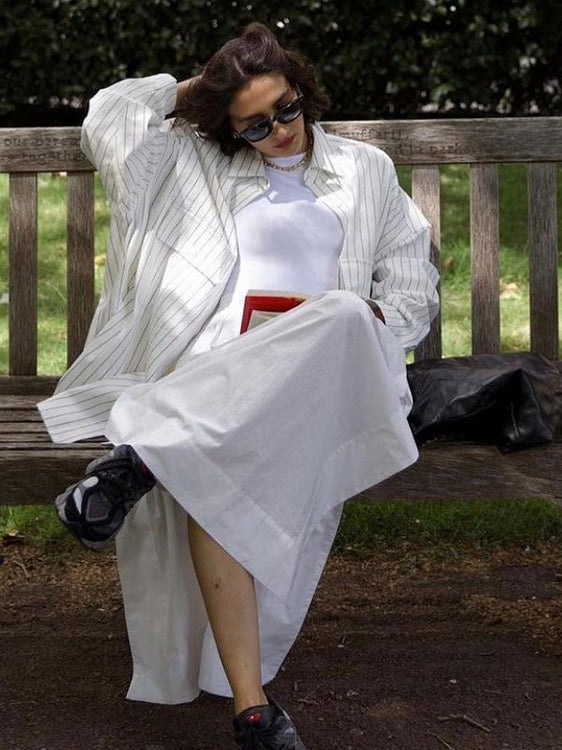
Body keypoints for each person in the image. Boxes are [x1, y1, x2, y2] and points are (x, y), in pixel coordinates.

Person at [38, 21, 439, 750]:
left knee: (340, 314)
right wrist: (205, 88)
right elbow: (111, 115)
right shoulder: (195, 162)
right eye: (254, 125)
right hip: (220, 372)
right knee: (215, 459)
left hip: (327, 377)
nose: (279, 131)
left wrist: (349, 326)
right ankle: (253, 713)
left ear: (302, 90)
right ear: (228, 128)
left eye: (286, 108)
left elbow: (413, 296)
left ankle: (140, 463)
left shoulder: (365, 171)